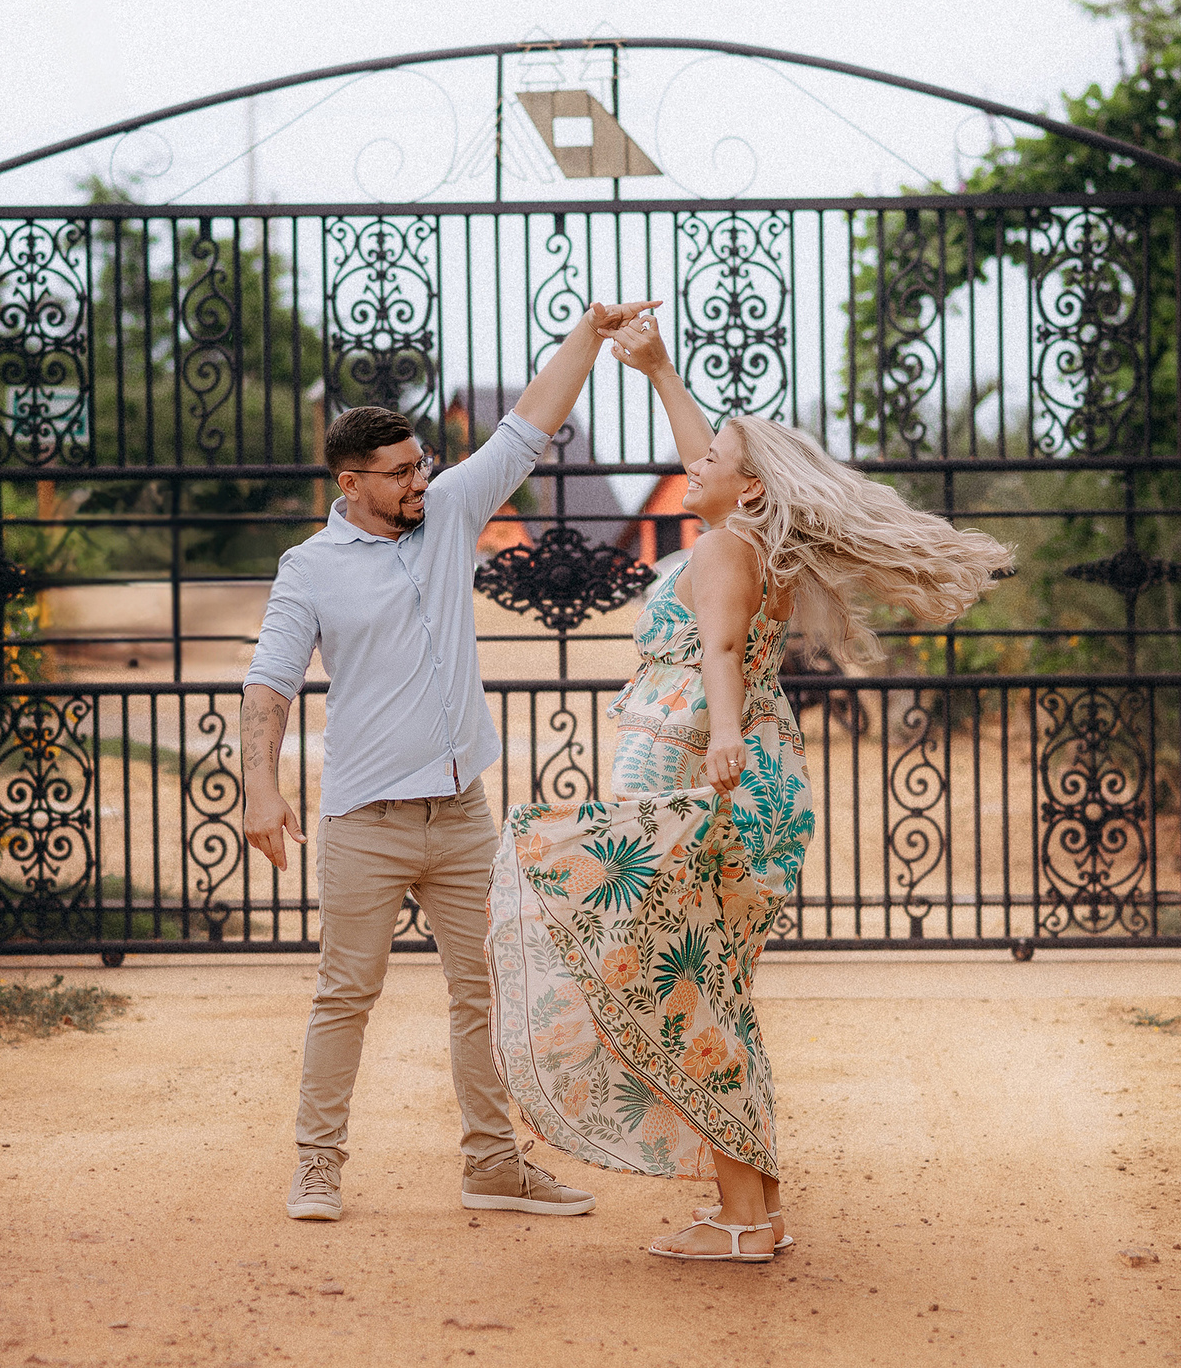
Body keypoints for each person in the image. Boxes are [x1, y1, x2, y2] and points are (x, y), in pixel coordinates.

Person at [487, 313, 1011, 1261]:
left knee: (681, 988)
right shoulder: (751, 540)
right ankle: (755, 1210)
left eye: (713, 460)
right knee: (712, 986)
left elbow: (721, 650)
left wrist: (722, 736)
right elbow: (719, 478)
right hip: (743, 774)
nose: (693, 465)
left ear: (751, 485)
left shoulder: (725, 549)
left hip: (699, 772)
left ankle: (741, 1220)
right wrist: (660, 373)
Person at [241, 296, 660, 1223]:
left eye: (421, 463)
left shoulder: (451, 510)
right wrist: (260, 787)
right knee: (345, 996)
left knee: (487, 993)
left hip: (463, 814)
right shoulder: (309, 568)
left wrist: (587, 336)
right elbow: (270, 682)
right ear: (351, 482)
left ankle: (493, 1166)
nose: (419, 481)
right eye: (398, 473)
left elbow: (528, 426)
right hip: (365, 820)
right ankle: (317, 1166)